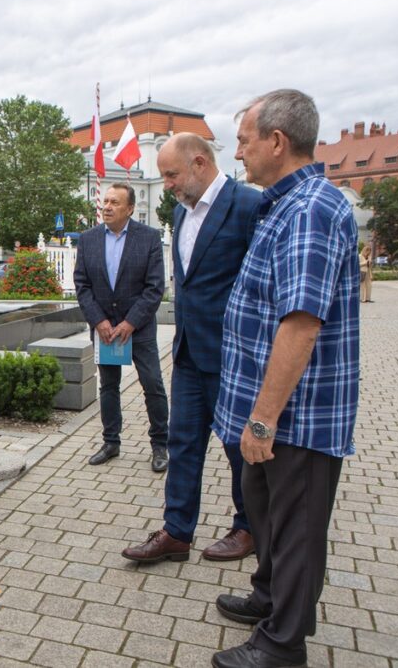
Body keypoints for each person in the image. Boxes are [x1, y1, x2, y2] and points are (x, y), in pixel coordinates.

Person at [211, 89, 359, 668]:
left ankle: (282, 644)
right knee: (270, 517)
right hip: (273, 412)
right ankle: (269, 599)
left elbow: (299, 323)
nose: (240, 154)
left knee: (295, 529)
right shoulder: (286, 204)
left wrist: (262, 417)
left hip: (295, 417)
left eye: (245, 142)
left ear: (277, 141)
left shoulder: (310, 211)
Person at [120, 134, 260, 564]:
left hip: (232, 356)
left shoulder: (248, 206)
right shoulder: (183, 215)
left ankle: (249, 526)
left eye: (172, 175)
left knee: (239, 449)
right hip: (187, 354)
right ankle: (177, 531)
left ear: (200, 163)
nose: (167, 185)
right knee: (182, 445)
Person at [74, 182, 169, 471]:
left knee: (152, 384)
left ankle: (160, 445)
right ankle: (111, 442)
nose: (106, 207)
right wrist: (99, 321)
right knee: (108, 386)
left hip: (137, 329)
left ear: (130, 209)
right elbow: (82, 285)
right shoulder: (88, 239)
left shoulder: (149, 238)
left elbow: (155, 288)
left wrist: (131, 322)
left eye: (114, 202)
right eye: (105, 201)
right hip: (105, 328)